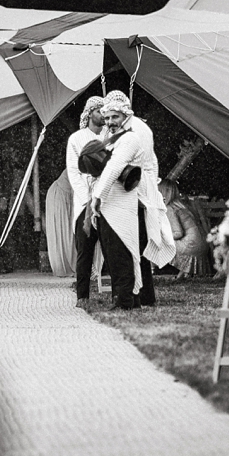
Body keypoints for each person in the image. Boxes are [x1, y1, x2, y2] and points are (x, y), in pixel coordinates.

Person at [90, 91, 175, 308]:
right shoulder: (122, 131)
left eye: (114, 117)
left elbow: (116, 166)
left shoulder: (134, 133)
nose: (109, 122)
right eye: (107, 118)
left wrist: (98, 196)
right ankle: (138, 296)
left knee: (125, 248)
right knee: (133, 248)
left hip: (130, 194)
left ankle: (128, 297)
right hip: (130, 194)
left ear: (125, 114)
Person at [66, 95, 107, 308]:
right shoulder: (76, 138)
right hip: (85, 201)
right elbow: (74, 172)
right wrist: (88, 199)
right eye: (100, 110)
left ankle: (118, 293)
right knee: (85, 250)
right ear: (90, 113)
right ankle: (82, 296)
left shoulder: (111, 136)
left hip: (107, 199)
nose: (104, 115)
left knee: (111, 248)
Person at [157, 179, 212, 280]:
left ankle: (154, 269)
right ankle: (184, 273)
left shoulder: (170, 208)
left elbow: (178, 233)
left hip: (191, 246)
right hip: (202, 245)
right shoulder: (182, 205)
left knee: (159, 240)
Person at [44, 171, 77, 277]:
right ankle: (64, 267)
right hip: (60, 195)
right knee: (62, 233)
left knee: (68, 233)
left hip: (67, 196)